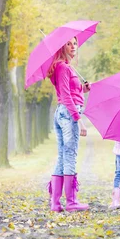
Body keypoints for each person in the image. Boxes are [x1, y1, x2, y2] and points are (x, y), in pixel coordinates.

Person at [47, 36, 91, 212]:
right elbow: (66, 96)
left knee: (62, 155)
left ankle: (55, 203)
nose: (73, 47)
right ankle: (71, 202)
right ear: (61, 47)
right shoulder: (63, 68)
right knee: (70, 155)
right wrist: (79, 121)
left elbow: (70, 91)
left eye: (75, 44)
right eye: (68, 44)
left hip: (62, 113)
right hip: (68, 114)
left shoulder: (62, 67)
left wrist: (83, 89)